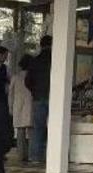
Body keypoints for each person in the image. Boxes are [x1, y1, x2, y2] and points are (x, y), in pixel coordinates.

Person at [25, 35, 52, 164]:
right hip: (54, 98)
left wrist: (35, 91)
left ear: (41, 45)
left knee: (38, 128)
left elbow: (27, 81)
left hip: (38, 97)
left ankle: (35, 156)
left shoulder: (35, 61)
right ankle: (53, 156)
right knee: (54, 127)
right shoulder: (57, 59)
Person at [9, 55, 34, 163]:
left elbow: (11, 94)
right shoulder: (33, 77)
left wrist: (10, 107)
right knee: (31, 132)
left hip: (18, 106)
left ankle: (20, 155)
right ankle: (30, 155)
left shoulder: (15, 77)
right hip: (30, 105)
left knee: (20, 132)